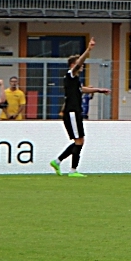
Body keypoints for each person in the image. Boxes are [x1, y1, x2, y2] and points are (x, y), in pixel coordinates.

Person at [51, 39, 108, 177]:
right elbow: (79, 64)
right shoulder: (70, 75)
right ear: (73, 65)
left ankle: (58, 162)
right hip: (71, 112)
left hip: (74, 112)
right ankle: (72, 170)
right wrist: (88, 50)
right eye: (79, 64)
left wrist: (98, 90)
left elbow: (82, 89)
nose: (82, 67)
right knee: (79, 141)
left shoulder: (74, 80)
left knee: (79, 141)